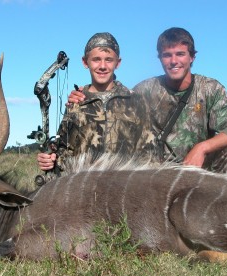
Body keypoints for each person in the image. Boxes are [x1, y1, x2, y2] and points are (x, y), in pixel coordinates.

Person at [69, 27, 227, 173]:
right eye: (167, 55)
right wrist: (84, 95)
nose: (173, 61)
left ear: (192, 57)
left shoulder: (210, 88)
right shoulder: (144, 90)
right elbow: (112, 98)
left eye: (180, 54)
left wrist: (201, 148)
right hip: (156, 172)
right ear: (160, 58)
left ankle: (224, 207)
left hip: (198, 167)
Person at [37, 32, 153, 174]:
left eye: (109, 60)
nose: (102, 66)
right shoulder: (76, 103)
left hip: (125, 189)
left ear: (118, 63)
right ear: (85, 62)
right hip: (82, 188)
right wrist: (50, 159)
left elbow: (148, 153)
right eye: (96, 60)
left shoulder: (135, 102)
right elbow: (63, 151)